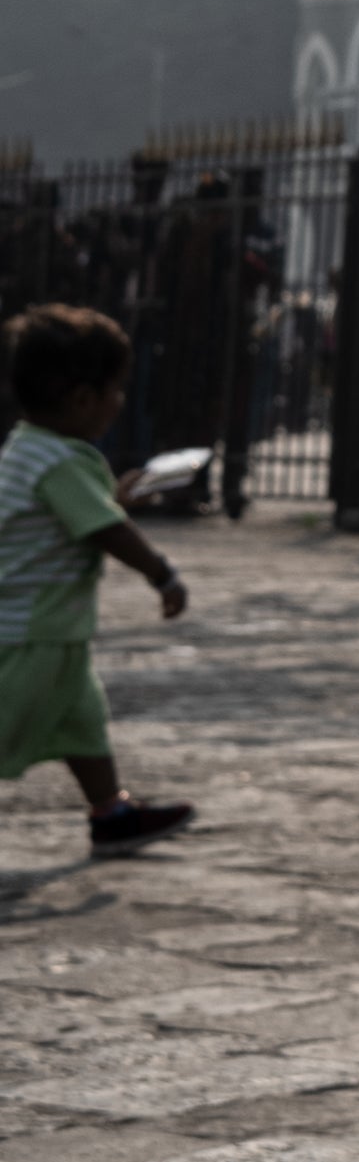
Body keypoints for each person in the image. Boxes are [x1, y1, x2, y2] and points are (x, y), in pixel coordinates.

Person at [0, 306, 197, 852]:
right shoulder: (63, 462)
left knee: (82, 722)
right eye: (115, 390)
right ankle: (110, 811)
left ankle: (111, 812)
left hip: (48, 631)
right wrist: (163, 575)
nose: (120, 403)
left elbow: (79, 515)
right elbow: (107, 530)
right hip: (31, 634)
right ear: (83, 398)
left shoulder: (28, 447)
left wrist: (113, 499)